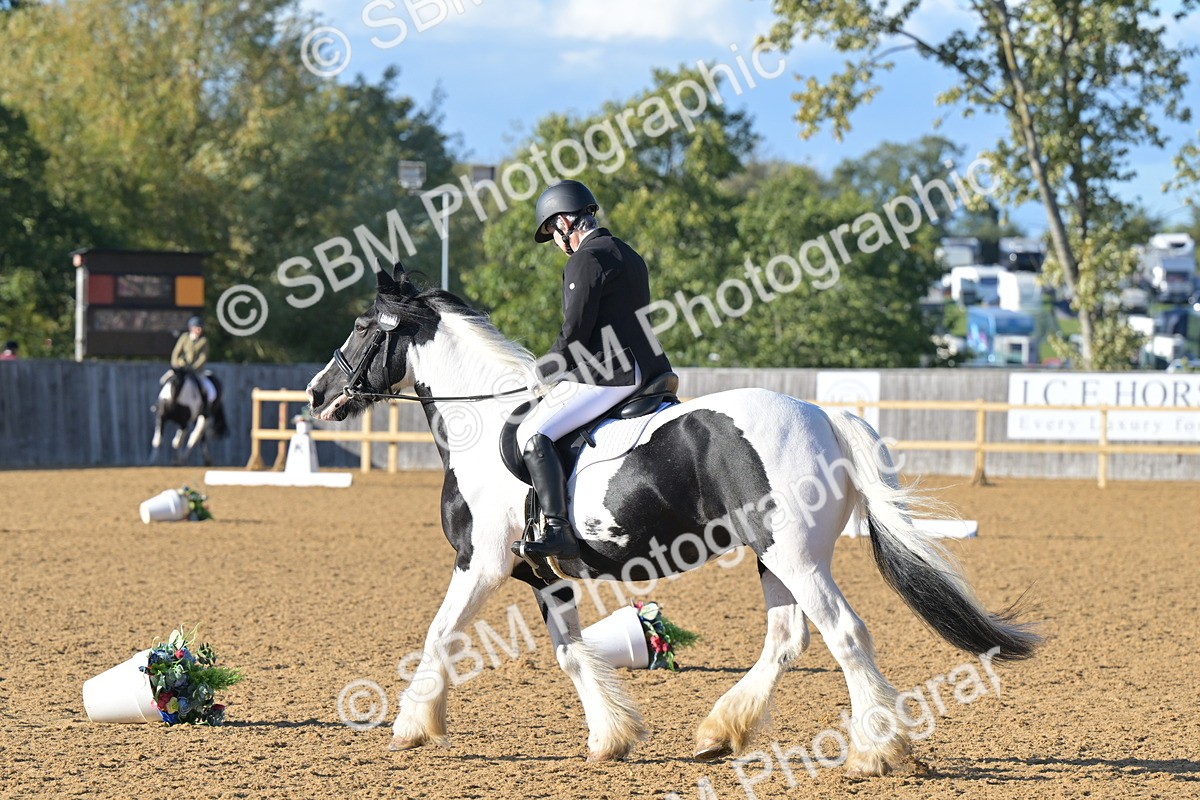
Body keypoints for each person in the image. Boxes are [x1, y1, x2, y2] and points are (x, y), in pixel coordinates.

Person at [513, 180, 673, 560]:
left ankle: (556, 529)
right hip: (649, 365)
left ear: (567, 221)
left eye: (553, 231)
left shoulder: (584, 260)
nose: (555, 241)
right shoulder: (629, 253)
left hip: (611, 373)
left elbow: (575, 335)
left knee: (534, 434)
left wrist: (539, 372)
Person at [170, 317, 217, 406]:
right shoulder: (184, 337)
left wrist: (193, 368)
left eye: (201, 328)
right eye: (197, 327)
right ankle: (160, 403)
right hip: (181, 368)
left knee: (204, 388)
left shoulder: (203, 341)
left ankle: (205, 407)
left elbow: (203, 358)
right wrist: (176, 364)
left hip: (195, 370)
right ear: (191, 328)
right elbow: (176, 352)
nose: (199, 330)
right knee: (166, 381)